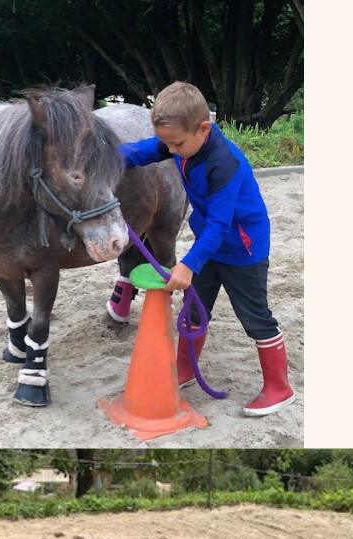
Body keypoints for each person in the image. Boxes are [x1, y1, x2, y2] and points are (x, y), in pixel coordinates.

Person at [115, 81, 295, 417]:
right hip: (210, 248)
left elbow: (219, 224)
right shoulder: (180, 143)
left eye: (177, 144)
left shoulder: (224, 163)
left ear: (203, 128)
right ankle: (184, 369)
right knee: (195, 309)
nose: (170, 150)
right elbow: (140, 152)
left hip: (243, 250)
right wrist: (107, 158)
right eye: (166, 143)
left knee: (255, 318)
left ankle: (279, 388)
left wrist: (188, 264)